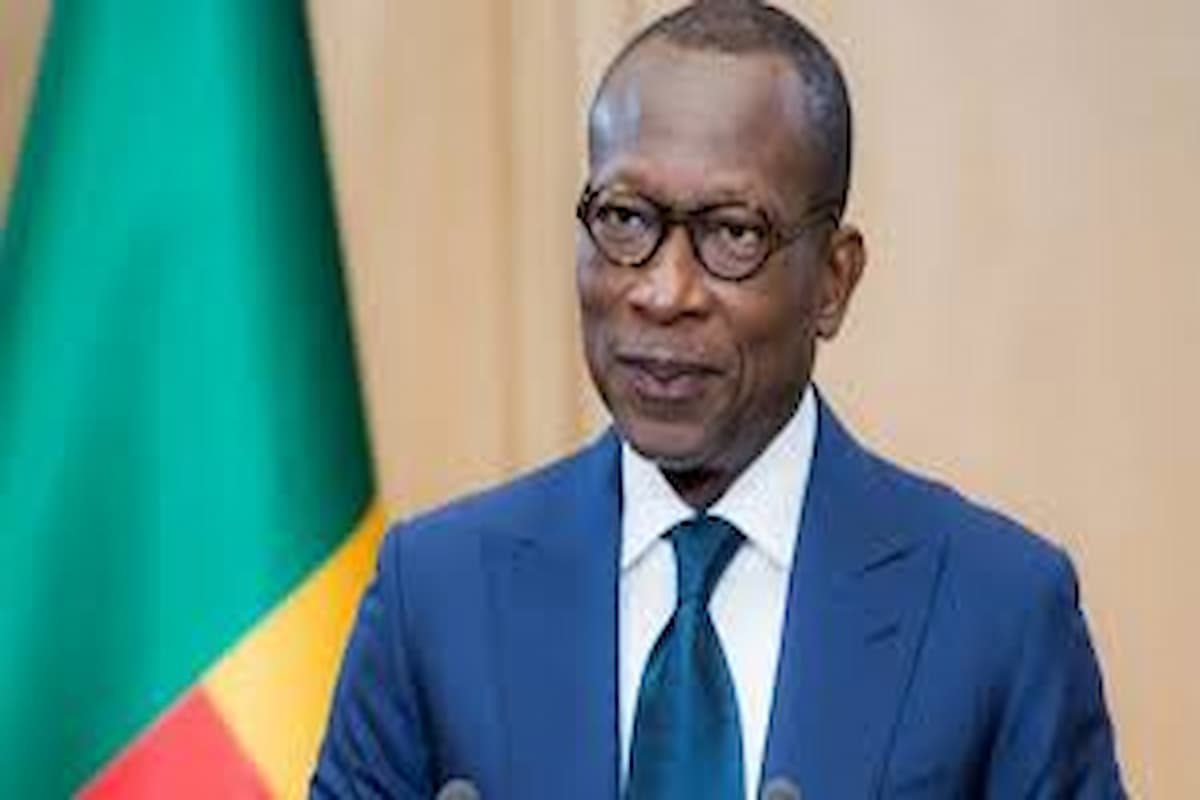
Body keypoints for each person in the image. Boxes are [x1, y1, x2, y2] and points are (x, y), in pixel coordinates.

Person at [312, 1, 1125, 797]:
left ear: (833, 280)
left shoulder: (998, 610)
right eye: (624, 219)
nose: (664, 292)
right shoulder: (436, 594)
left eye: (733, 233)